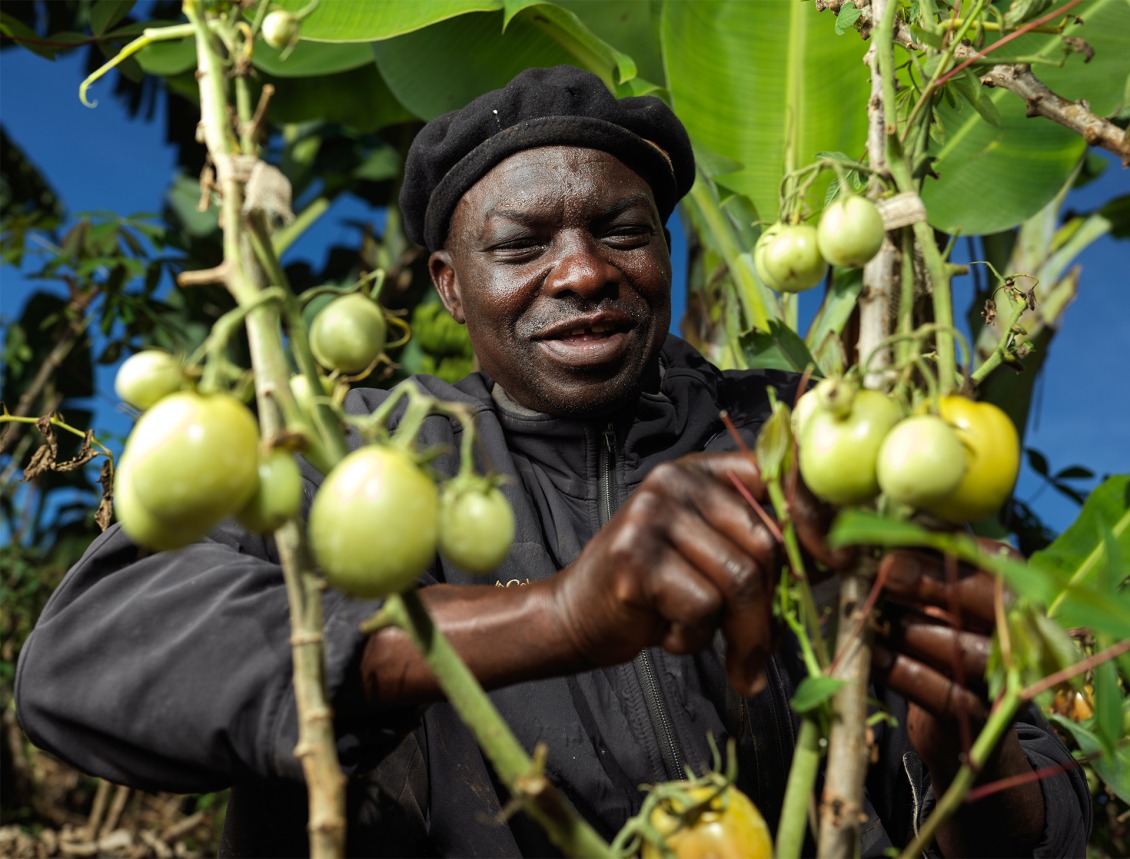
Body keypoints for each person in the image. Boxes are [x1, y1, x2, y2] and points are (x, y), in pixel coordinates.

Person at [17, 65, 1088, 857]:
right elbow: (89, 663)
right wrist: (557, 616)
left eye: (620, 232)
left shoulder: (803, 443)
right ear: (446, 283)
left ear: (664, 253)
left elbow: (1041, 821)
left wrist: (964, 746)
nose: (581, 273)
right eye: (521, 245)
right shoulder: (351, 454)